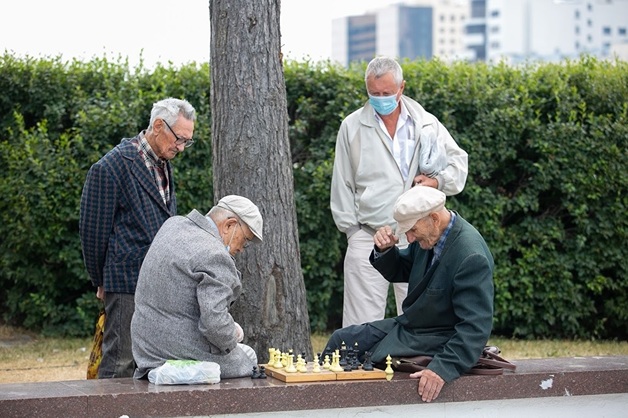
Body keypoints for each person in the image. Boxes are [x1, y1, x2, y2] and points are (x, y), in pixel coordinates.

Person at [330, 56, 468, 327]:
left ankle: (416, 371)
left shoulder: (426, 122)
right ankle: (360, 372)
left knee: (420, 322)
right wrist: (353, 232)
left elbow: (459, 165)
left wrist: (437, 182)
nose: (380, 99)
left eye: (387, 93)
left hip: (420, 239)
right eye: (374, 94)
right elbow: (342, 183)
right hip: (367, 235)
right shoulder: (351, 126)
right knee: (360, 328)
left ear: (401, 88)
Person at [323, 186, 494, 403]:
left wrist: (442, 369)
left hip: (439, 338)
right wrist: (385, 250)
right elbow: (403, 269)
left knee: (368, 354)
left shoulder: (470, 256)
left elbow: (475, 327)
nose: (410, 239)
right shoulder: (431, 236)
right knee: (342, 340)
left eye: (412, 230)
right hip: (412, 327)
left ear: (434, 218)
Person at [79, 97, 197, 378]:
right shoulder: (110, 167)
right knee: (119, 363)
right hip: (126, 282)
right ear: (158, 126)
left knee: (148, 364)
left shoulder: (162, 161)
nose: (181, 148)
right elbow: (93, 233)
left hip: (158, 284)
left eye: (186, 142)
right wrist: (101, 280)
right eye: (179, 139)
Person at [130, 195, 263, 379]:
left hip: (145, 347)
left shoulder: (172, 225)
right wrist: (233, 333)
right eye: (245, 239)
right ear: (229, 225)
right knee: (248, 359)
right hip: (174, 350)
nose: (242, 248)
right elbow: (214, 324)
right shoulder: (215, 254)